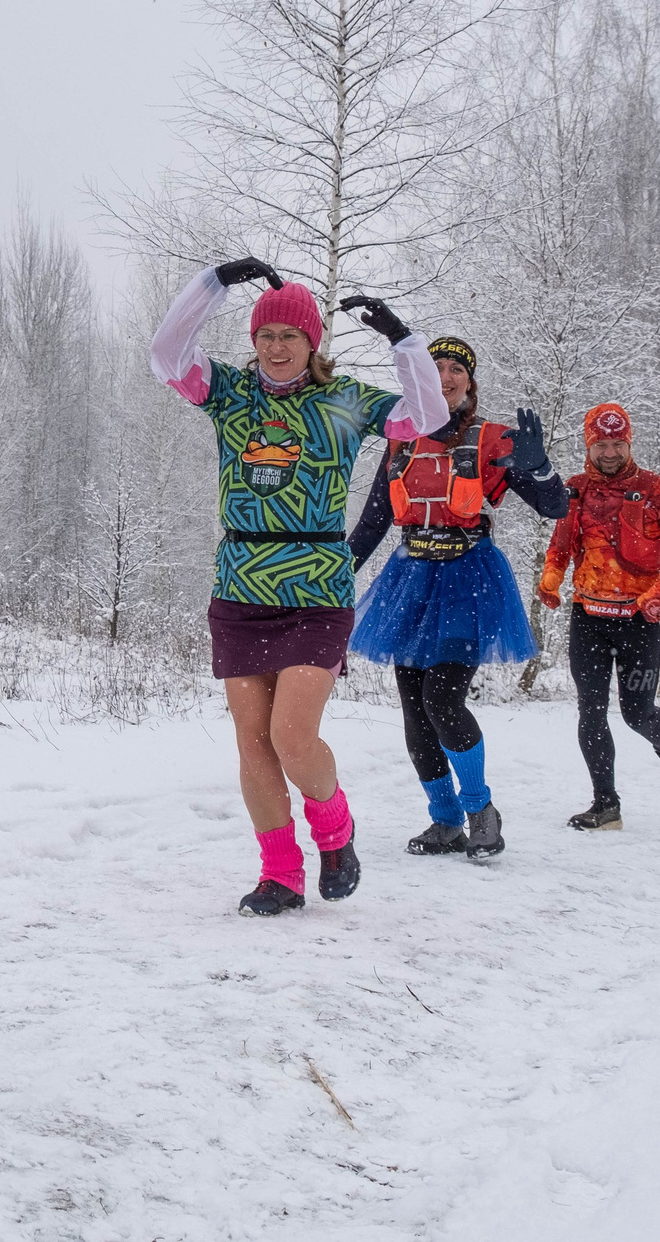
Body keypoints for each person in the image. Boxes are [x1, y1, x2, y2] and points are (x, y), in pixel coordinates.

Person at [150, 261, 443, 916]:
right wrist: (215, 282)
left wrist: (400, 336)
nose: (277, 346)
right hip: (240, 589)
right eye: (266, 334)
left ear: (313, 344)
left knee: (292, 736)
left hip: (316, 589)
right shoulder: (226, 394)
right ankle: (280, 873)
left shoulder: (344, 401)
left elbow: (428, 410)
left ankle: (335, 830)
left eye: (291, 335)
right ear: (254, 340)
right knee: (252, 741)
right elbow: (166, 353)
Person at [347, 336, 567, 860]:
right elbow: (376, 518)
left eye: (455, 369)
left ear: (470, 381)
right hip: (409, 577)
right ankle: (444, 822)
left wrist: (538, 468)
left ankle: (479, 809)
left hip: (468, 577)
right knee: (414, 711)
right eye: (434, 367)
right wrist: (336, 572)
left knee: (442, 700)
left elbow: (554, 506)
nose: (444, 377)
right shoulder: (401, 441)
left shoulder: (493, 441)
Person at [536, 402, 660, 832]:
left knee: (636, 715)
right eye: (601, 445)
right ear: (588, 445)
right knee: (590, 712)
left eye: (618, 444)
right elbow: (561, 546)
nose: (609, 453)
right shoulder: (573, 490)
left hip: (639, 621)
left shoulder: (657, 490)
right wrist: (550, 580)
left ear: (629, 443)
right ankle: (606, 805)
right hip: (588, 616)